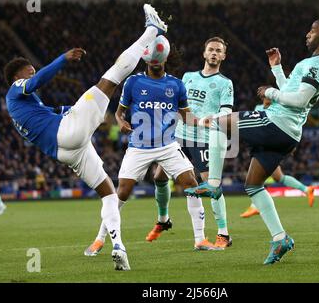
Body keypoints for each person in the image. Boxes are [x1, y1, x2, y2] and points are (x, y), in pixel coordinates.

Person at [4, 4, 168, 271]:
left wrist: (70, 110)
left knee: (108, 193)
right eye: (29, 70)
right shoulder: (15, 88)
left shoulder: (21, 108)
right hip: (67, 133)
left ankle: (118, 246)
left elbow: (50, 111)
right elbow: (35, 83)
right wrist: (62, 58)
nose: (33, 73)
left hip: (67, 151)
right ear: (17, 76)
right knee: (113, 76)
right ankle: (152, 30)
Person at [185, 18, 319, 265]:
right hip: (289, 134)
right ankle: (280, 239)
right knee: (253, 184)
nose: (307, 33)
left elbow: (298, 100)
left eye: (313, 30)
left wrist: (269, 92)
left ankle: (213, 184)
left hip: (275, 123)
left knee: (219, 121)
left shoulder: (316, 65)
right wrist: (277, 69)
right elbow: (291, 91)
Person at [84, 35, 220, 257]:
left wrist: (204, 121)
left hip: (168, 146)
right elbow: (119, 111)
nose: (154, 62)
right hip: (138, 146)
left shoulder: (176, 85)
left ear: (164, 57)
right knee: (122, 191)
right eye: (150, 60)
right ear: (146, 60)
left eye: (158, 59)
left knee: (191, 183)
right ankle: (99, 239)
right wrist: (121, 121)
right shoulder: (133, 82)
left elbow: (187, 118)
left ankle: (200, 239)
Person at [145, 37, 234, 248]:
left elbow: (226, 111)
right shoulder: (188, 77)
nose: (213, 53)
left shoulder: (225, 83)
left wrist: (207, 120)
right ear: (204, 53)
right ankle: (163, 219)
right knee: (159, 176)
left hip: (203, 139)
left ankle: (223, 233)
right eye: (210, 49)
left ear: (223, 56)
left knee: (212, 185)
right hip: (178, 136)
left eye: (218, 51)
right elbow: (176, 102)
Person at [240, 100, 315, 218]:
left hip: (271, 148)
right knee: (279, 177)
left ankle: (255, 206)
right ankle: (306, 189)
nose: (265, 99)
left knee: (259, 177)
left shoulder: (278, 108)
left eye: (267, 96)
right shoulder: (258, 107)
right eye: (264, 97)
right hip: (262, 146)